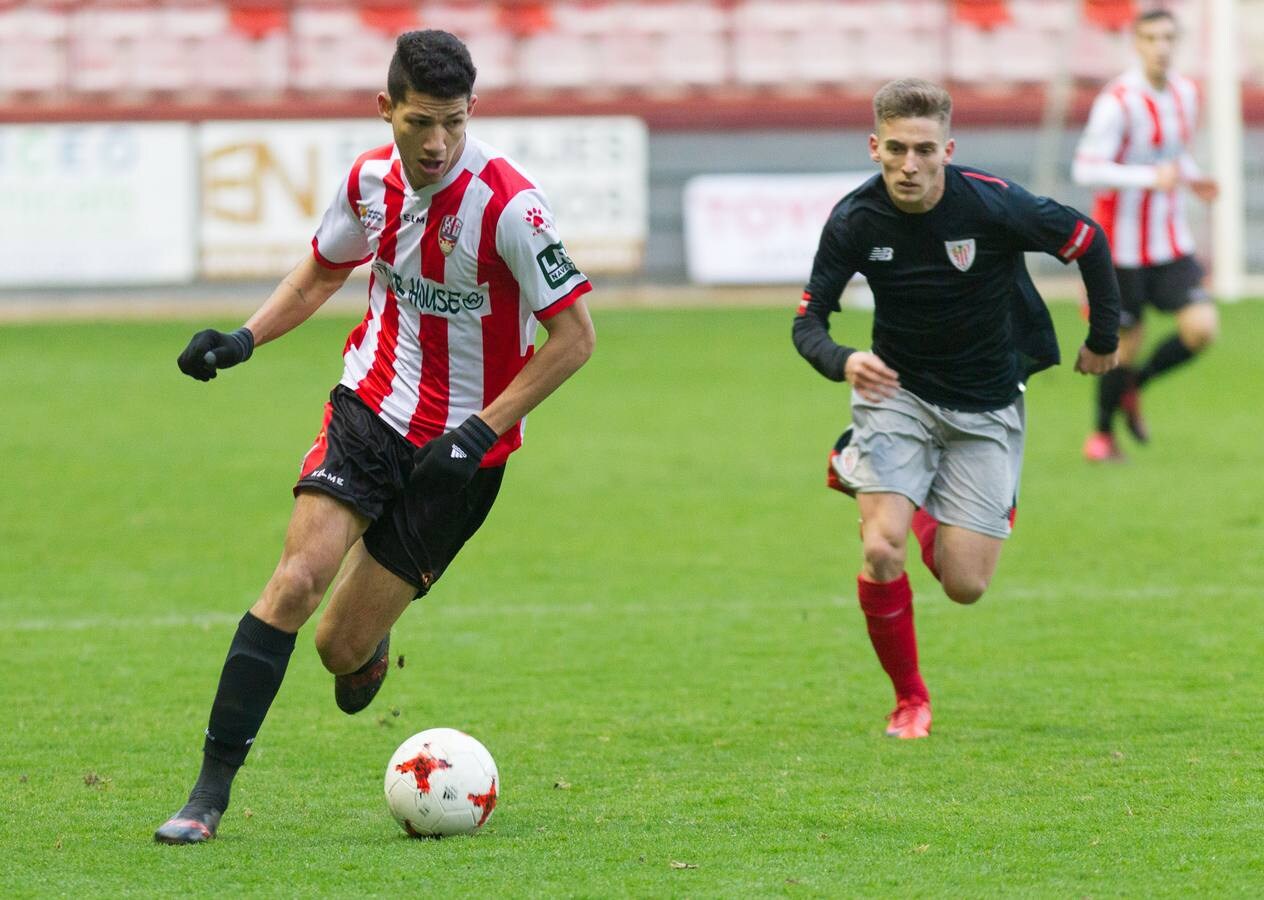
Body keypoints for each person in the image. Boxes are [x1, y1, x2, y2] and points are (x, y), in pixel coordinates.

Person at [155, 29, 595, 844]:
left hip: (466, 452)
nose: (437, 143)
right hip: (370, 408)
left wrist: (480, 430)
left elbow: (575, 337)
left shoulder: (510, 206)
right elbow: (323, 270)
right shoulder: (367, 183)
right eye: (421, 122)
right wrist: (244, 339)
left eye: (454, 124)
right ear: (385, 107)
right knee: (294, 583)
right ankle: (206, 797)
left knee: (339, 652)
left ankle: (370, 632)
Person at [792, 78, 1120, 740]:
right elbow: (809, 323)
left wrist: (1104, 338)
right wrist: (843, 359)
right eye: (895, 150)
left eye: (923, 150)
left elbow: (1086, 239)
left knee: (964, 584)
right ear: (874, 144)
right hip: (896, 395)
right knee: (881, 547)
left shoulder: (992, 205)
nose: (908, 165)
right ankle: (910, 698)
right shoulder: (855, 219)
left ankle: (865, 469)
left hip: (988, 404)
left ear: (948, 147)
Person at [1074, 8, 1219, 462]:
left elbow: (1173, 156)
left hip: (1170, 240)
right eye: (1152, 38)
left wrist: (1194, 178)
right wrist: (1146, 178)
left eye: (1168, 38)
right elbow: (1085, 168)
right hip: (1122, 245)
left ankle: (1136, 386)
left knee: (1201, 329)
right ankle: (1101, 435)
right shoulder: (1117, 100)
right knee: (1121, 347)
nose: (1161, 47)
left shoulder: (1185, 94)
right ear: (1136, 43)